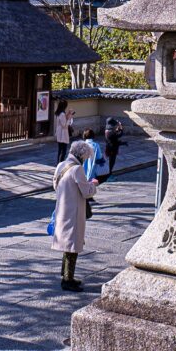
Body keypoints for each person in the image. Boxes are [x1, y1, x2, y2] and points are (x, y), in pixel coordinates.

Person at [52, 140, 99, 291]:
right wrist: (93, 185)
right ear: (82, 155)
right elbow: (86, 192)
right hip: (73, 211)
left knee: (67, 245)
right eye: (85, 158)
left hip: (62, 209)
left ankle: (65, 275)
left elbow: (55, 185)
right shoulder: (77, 169)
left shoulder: (61, 165)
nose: (85, 160)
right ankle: (68, 279)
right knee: (73, 246)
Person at [54, 100, 74, 164]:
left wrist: (68, 114)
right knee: (63, 151)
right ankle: (60, 163)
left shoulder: (59, 113)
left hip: (60, 133)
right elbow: (64, 125)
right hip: (63, 134)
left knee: (60, 150)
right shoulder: (62, 114)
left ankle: (58, 163)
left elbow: (63, 121)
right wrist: (70, 117)